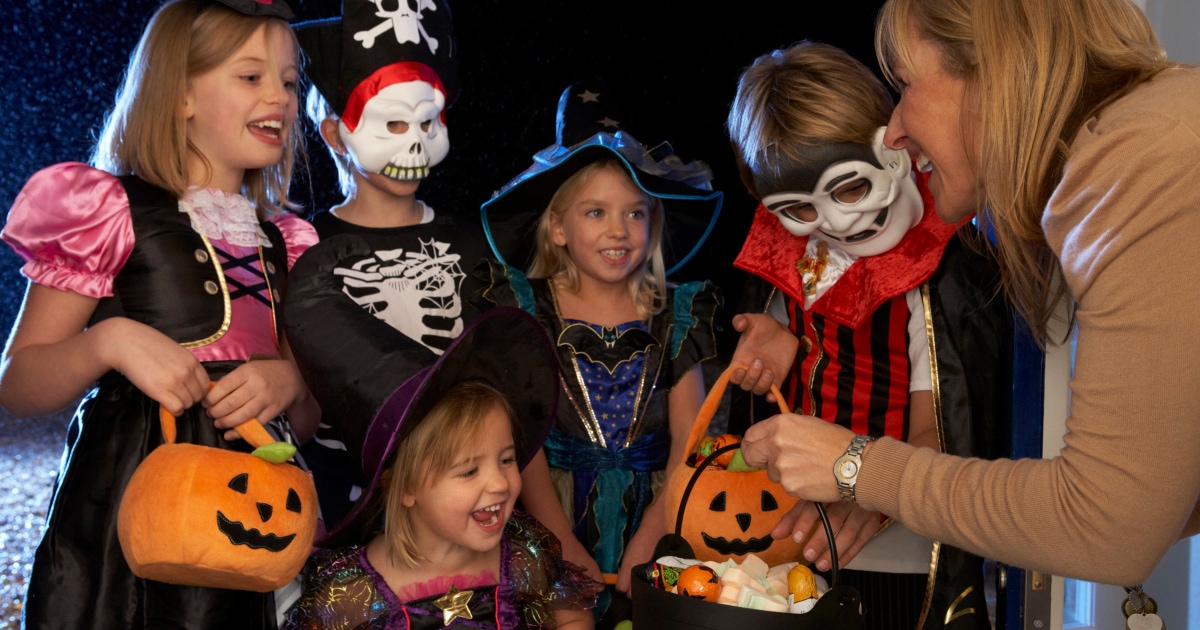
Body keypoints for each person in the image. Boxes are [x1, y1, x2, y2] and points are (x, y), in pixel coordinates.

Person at [741, 0, 1200, 588]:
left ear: (995, 70)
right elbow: (1148, 503)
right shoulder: (1151, 138)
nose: (898, 129)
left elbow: (1102, 531)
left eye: (905, 84)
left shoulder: (1138, 168)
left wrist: (855, 465)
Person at [0, 0, 319, 627]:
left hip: (256, 508)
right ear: (180, 96)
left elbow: (304, 425)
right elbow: (17, 383)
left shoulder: (287, 242)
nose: (280, 98)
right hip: (126, 511)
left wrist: (292, 381)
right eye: (251, 76)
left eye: (288, 80)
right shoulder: (105, 210)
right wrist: (107, 342)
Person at [726, 41, 1008, 629]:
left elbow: (946, 427)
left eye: (851, 188)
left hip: (908, 560)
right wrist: (775, 342)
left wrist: (868, 490)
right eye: (801, 209)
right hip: (795, 544)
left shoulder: (943, 267)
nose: (835, 222)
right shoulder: (791, 253)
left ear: (892, 146)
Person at [474, 81, 723, 628]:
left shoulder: (678, 313)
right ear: (558, 227)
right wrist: (559, 542)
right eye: (595, 213)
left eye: (636, 213)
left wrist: (657, 529)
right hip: (548, 512)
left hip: (662, 510)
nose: (619, 230)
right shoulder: (525, 310)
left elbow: (692, 440)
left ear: (654, 222)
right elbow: (523, 438)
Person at [288, 0, 493, 529]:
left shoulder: (473, 244)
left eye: (428, 122)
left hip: (455, 492)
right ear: (335, 133)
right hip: (338, 497)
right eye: (394, 122)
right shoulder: (300, 245)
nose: (416, 142)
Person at [282, 307, 597, 629]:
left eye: (506, 459)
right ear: (405, 488)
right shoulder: (348, 593)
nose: (500, 483)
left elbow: (572, 619)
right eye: (468, 471)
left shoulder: (523, 555)